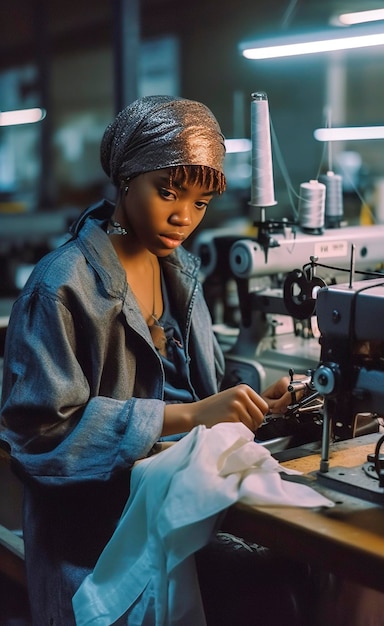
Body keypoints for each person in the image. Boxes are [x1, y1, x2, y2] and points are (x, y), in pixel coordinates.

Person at [0, 95, 305, 625]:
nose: (183, 217)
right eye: (167, 192)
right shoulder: (60, 286)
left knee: (297, 581)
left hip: (171, 505)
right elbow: (38, 437)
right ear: (124, 179)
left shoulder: (180, 271)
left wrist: (260, 405)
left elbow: (197, 383)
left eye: (201, 203)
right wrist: (191, 416)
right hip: (97, 541)